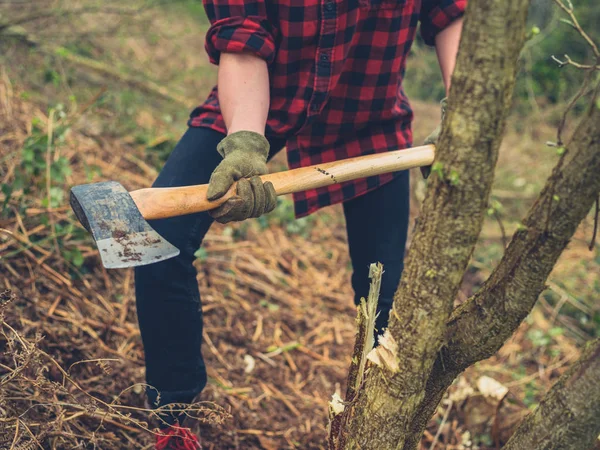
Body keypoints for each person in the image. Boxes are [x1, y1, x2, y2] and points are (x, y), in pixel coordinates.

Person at [136, 0, 466, 448]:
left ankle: (378, 435)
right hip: (261, 102)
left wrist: (464, 116)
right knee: (157, 245)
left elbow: (449, 14)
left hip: (370, 117)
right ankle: (175, 421)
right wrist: (246, 143)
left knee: (387, 300)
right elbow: (242, 37)